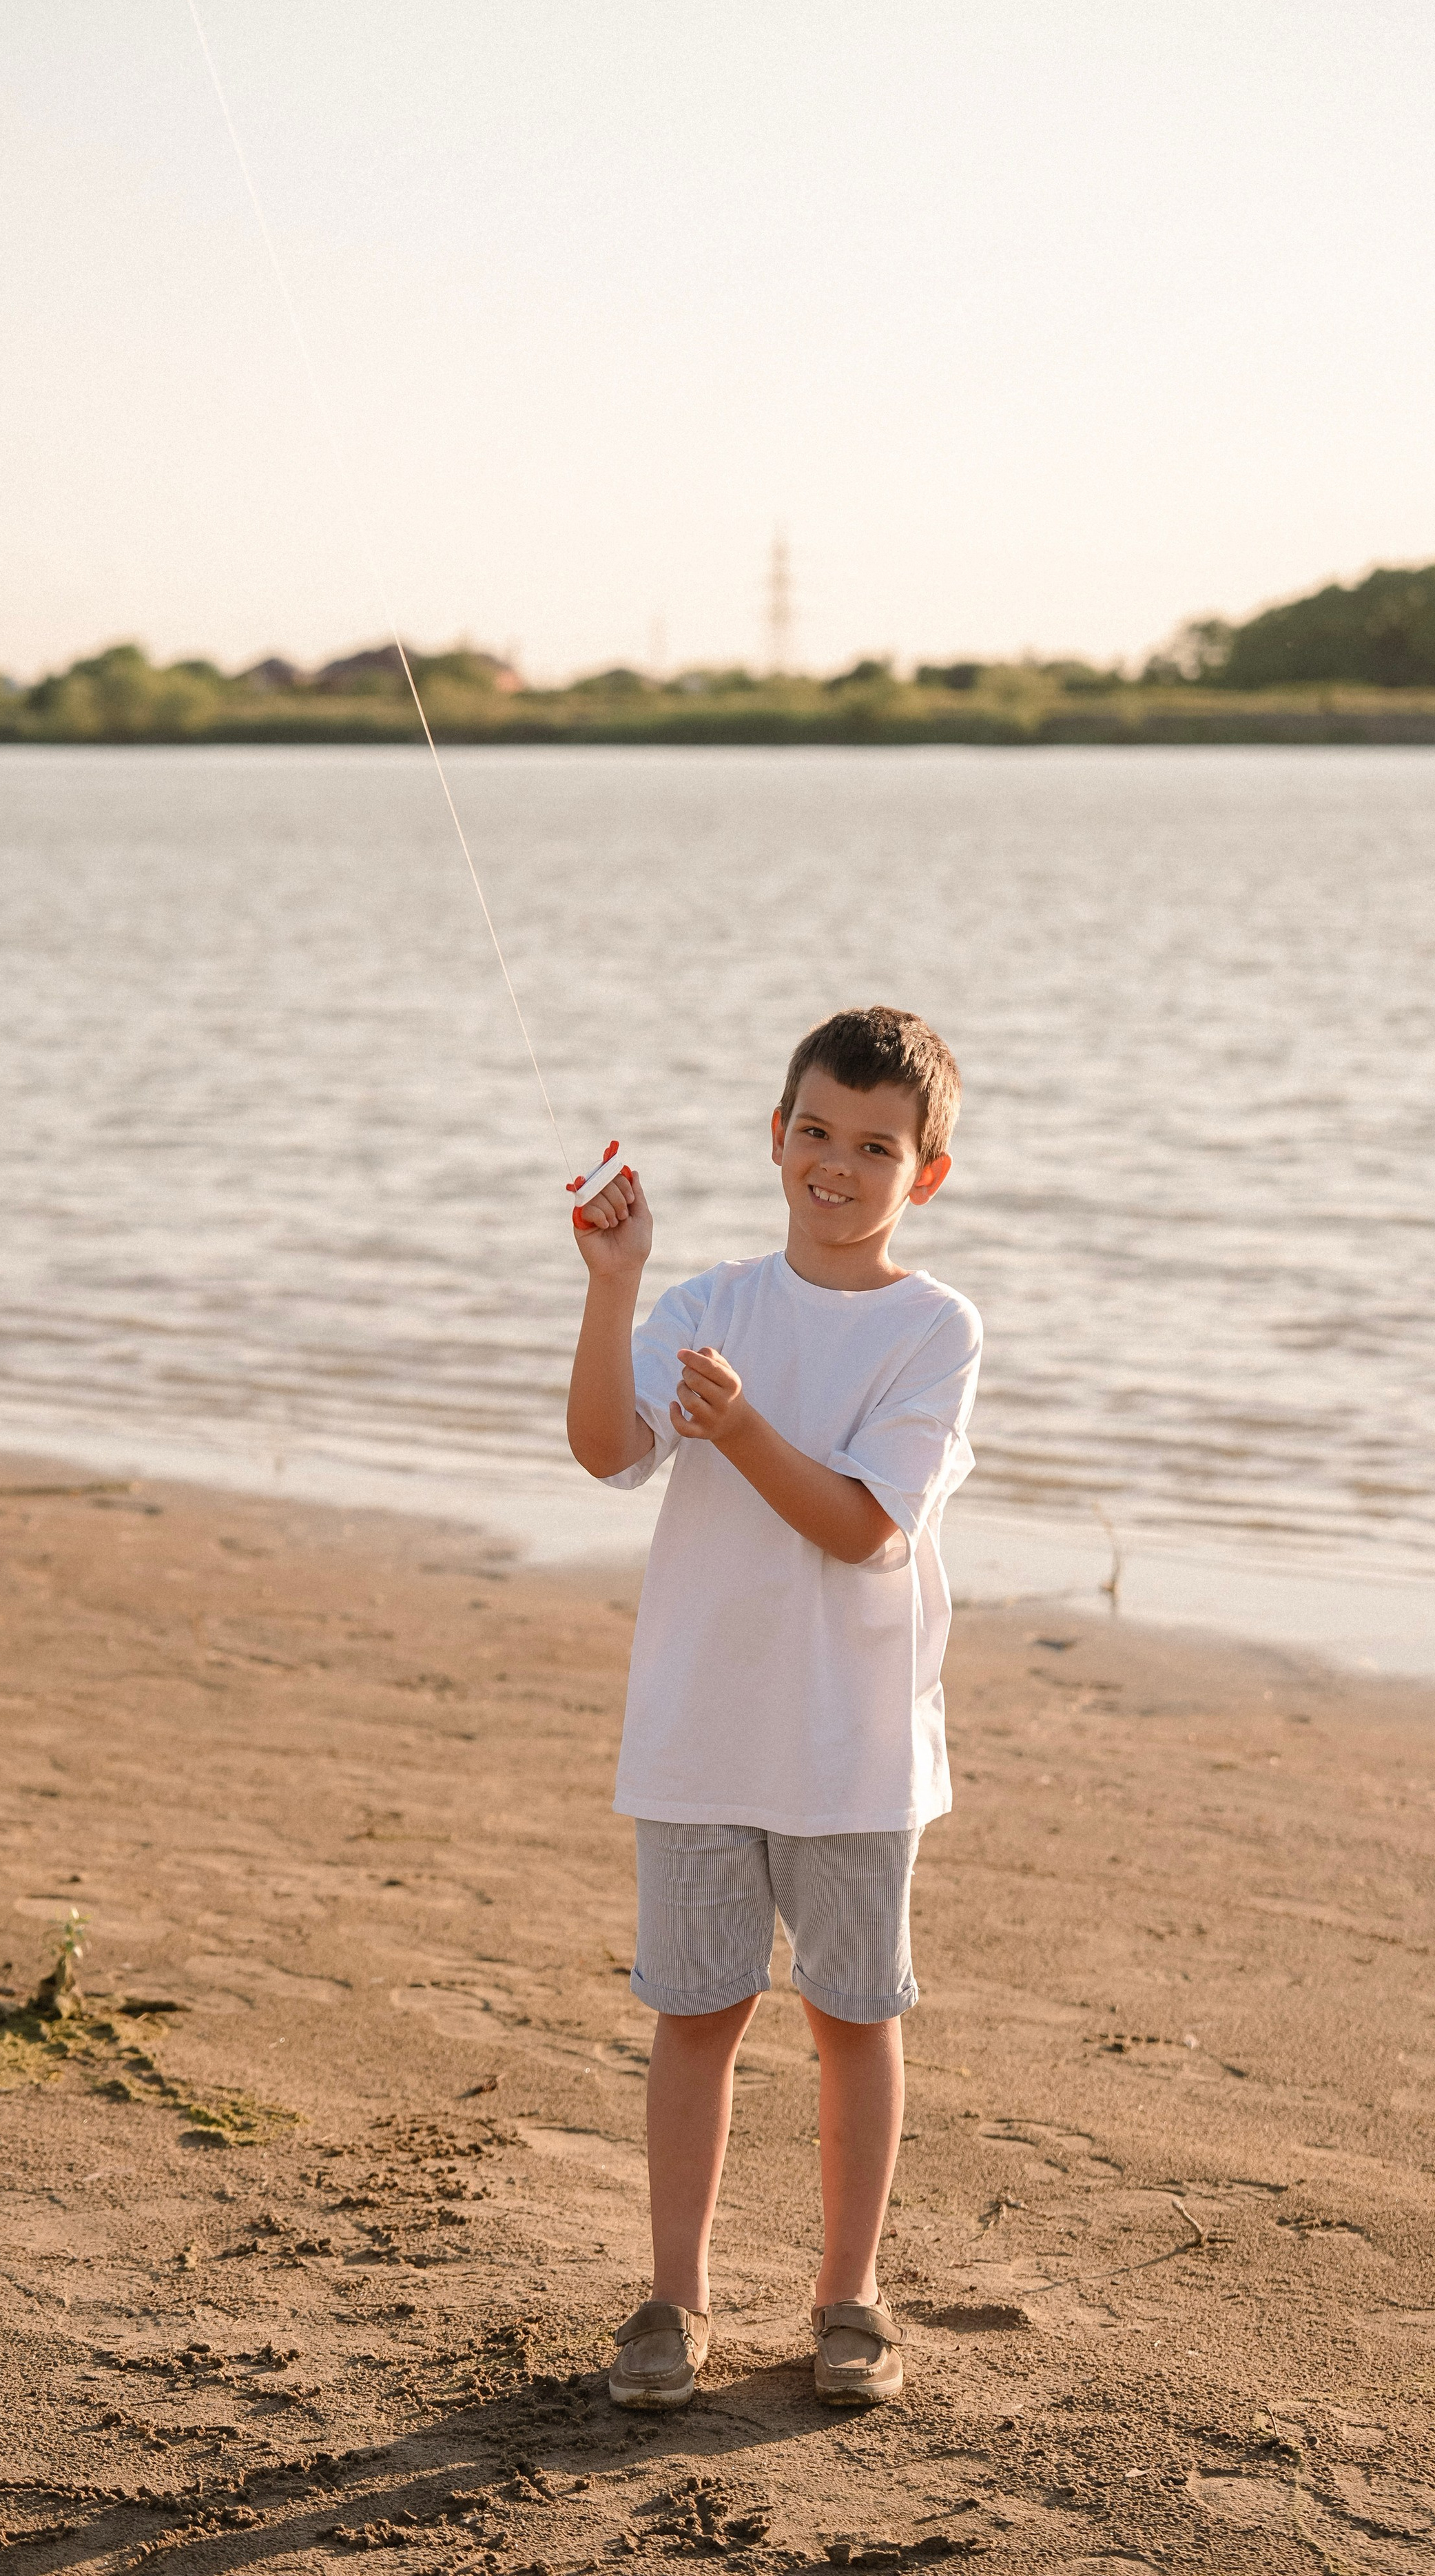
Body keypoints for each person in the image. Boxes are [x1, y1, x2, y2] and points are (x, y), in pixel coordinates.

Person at [566, 1004, 981, 2410]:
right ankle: (672, 2300)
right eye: (814, 1132)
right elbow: (602, 1449)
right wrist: (613, 1285)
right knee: (697, 2013)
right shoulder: (703, 1305)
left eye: (874, 1147)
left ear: (920, 1174)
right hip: (695, 1737)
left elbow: (863, 1530)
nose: (836, 1164)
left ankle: (847, 2298)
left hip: (852, 1754)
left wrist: (740, 1427)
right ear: (774, 1137)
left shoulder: (934, 1330)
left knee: (853, 2018)